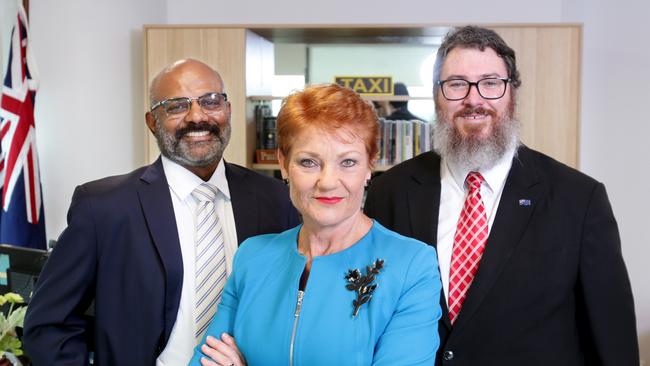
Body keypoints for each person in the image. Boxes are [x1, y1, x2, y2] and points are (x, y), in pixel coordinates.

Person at [364, 25, 639, 366]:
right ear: (437, 95)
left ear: (512, 94)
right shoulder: (389, 191)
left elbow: (613, 342)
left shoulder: (579, 200)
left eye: (491, 83)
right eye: (456, 84)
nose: (474, 99)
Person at [23, 59, 299, 365]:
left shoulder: (277, 200)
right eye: (177, 106)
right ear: (152, 121)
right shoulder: (103, 208)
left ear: (228, 111)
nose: (197, 117)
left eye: (211, 101)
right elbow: (48, 325)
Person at [188, 83, 442, 366]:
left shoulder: (412, 266)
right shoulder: (253, 256)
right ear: (284, 164)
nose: (328, 182)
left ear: (370, 165)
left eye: (348, 162)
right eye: (309, 162)